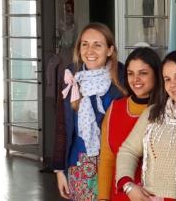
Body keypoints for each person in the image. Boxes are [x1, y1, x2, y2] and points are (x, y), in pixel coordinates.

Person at [116, 50, 176, 201]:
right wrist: (128, 185)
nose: (173, 84)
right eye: (167, 79)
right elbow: (128, 151)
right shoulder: (153, 113)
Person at [54, 23, 127, 201]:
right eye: (85, 44)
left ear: (110, 50)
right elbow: (62, 125)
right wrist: (59, 170)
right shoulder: (71, 75)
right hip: (78, 164)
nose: (90, 50)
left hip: (114, 165)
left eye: (98, 45)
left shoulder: (123, 76)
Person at [97, 47, 163, 201]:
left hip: (154, 196)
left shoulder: (168, 110)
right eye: (130, 73)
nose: (135, 79)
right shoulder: (115, 108)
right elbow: (107, 159)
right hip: (119, 194)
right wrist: (102, 198)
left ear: (157, 74)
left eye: (143, 73)